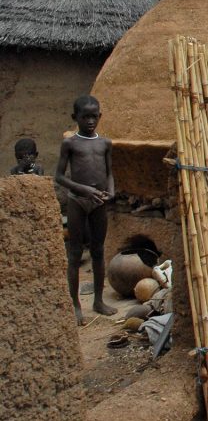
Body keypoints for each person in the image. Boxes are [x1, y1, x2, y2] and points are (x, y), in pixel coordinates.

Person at [55, 95, 117, 324]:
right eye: (85, 117)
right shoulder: (70, 143)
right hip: (77, 202)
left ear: (100, 116)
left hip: (99, 201)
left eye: (94, 116)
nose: (90, 121)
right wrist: (84, 190)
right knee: (74, 253)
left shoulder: (105, 143)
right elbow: (59, 177)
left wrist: (110, 190)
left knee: (99, 251)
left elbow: (109, 172)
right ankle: (75, 305)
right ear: (75, 118)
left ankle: (99, 301)